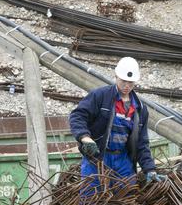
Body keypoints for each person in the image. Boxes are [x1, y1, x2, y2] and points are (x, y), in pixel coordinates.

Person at [69, 57, 164, 187]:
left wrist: (150, 169)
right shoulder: (100, 96)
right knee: (90, 200)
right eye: (123, 81)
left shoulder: (140, 109)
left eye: (130, 82)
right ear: (116, 76)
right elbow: (77, 116)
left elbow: (142, 143)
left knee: (126, 199)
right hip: (97, 158)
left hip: (123, 161)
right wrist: (85, 138)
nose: (127, 86)